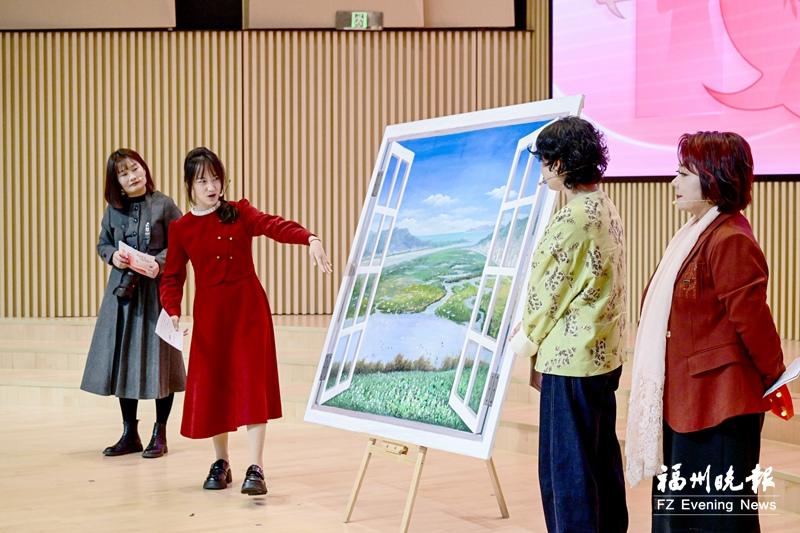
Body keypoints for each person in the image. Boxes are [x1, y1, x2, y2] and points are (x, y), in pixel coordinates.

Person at [624, 131, 788, 533]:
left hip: (718, 406)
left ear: (715, 177)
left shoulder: (730, 239)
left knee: (716, 519)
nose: (673, 183)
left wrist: (776, 377)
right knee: (682, 517)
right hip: (688, 401)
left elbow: (753, 323)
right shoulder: (696, 234)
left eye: (684, 174)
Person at [160, 147, 332, 495]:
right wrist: (173, 310)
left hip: (248, 312)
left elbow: (273, 225)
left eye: (216, 179)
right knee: (214, 387)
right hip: (210, 317)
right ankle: (221, 462)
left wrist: (309, 237)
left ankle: (257, 467)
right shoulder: (181, 228)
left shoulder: (239, 212)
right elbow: (172, 277)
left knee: (252, 384)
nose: (212, 187)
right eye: (203, 181)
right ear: (189, 185)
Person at [509, 116, 628, 532]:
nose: (542, 172)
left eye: (545, 163)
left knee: (567, 470)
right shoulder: (605, 206)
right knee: (600, 462)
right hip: (602, 354)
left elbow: (547, 291)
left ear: (561, 163)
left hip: (570, 361)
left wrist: (524, 340)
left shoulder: (571, 218)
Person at [81, 148, 185, 459]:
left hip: (156, 294)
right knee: (123, 361)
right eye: (123, 173)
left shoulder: (164, 204)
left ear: (144, 168)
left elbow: (182, 243)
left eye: (135, 168)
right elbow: (103, 243)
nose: (132, 176)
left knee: (161, 361)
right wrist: (112, 255)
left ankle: (160, 433)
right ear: (116, 183)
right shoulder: (113, 211)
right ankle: (130, 433)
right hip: (122, 297)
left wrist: (160, 262)